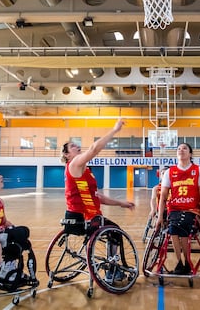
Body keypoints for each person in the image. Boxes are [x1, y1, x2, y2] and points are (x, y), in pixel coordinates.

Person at [61, 118, 135, 283]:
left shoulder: (84, 171)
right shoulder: (74, 164)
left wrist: (121, 203)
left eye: (77, 144)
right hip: (85, 217)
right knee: (115, 232)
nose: (77, 147)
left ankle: (113, 268)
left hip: (89, 215)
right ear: (67, 155)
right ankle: (111, 271)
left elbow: (97, 197)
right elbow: (94, 149)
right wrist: (115, 130)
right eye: (73, 146)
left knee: (113, 230)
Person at [156, 143, 200, 275]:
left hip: (192, 209)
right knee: (173, 227)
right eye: (179, 149)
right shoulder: (169, 172)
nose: (181, 150)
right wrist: (159, 216)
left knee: (183, 225)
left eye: (184, 148)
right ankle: (181, 263)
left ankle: (187, 262)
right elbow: (163, 196)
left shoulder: (199, 171)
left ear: (190, 154)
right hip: (174, 209)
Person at [0, 168, 37, 286]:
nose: (0, 177)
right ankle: (3, 270)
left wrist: (14, 228)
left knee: (23, 232)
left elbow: (4, 222)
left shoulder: (0, 202)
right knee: (15, 235)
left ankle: (8, 267)